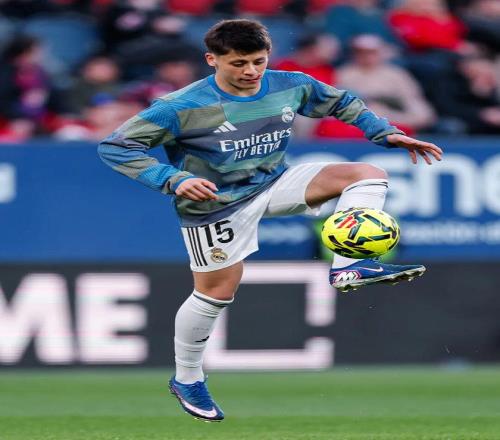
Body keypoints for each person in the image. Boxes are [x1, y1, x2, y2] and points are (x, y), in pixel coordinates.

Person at [97, 19, 442, 422]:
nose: (251, 71)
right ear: (212, 60)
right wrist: (172, 179)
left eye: (258, 61)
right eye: (239, 63)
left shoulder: (289, 84)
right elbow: (116, 147)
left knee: (366, 174)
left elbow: (341, 102)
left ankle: (348, 265)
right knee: (216, 293)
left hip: (274, 182)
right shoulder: (180, 106)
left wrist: (384, 132)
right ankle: (187, 378)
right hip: (216, 203)